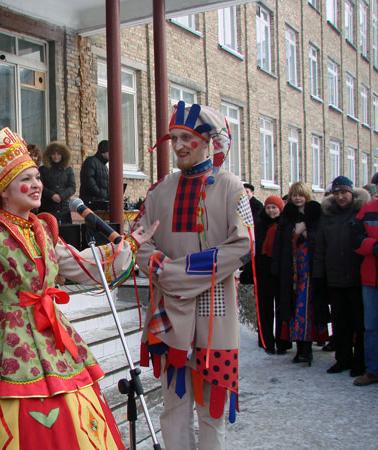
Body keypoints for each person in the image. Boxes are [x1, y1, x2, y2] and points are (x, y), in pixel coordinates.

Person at [0, 127, 159, 449]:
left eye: (36, 177)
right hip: (4, 344)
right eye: (26, 178)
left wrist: (129, 246)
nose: (37, 184)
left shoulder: (42, 230)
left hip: (51, 335)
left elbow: (83, 266)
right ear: (2, 190)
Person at [134, 101, 252, 450]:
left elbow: (243, 244)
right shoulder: (159, 190)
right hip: (168, 311)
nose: (180, 145)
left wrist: (175, 274)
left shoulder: (232, 187)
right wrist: (166, 271)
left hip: (215, 313)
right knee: (173, 406)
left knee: (211, 410)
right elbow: (139, 241)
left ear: (206, 141)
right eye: (175, 138)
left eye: (188, 137)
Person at [313, 176, 368, 377]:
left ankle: (360, 361)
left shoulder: (360, 213)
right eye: (336, 193)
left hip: (357, 278)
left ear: (351, 193)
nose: (340, 196)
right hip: (334, 278)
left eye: (343, 192)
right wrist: (318, 277)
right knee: (339, 322)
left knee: (359, 323)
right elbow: (320, 248)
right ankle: (342, 359)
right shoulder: (327, 216)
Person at [272, 182, 327, 366]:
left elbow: (320, 240)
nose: (297, 198)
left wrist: (304, 232)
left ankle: (307, 349)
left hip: (310, 271)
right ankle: (300, 348)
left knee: (307, 308)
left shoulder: (315, 215)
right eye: (294, 195)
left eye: (300, 195)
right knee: (294, 308)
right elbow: (280, 242)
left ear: (307, 196)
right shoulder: (287, 216)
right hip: (292, 271)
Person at [254, 195, 288, 355]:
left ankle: (283, 341)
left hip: (281, 270)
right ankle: (266, 341)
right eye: (268, 207)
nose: (271, 211)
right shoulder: (259, 225)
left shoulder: (285, 224)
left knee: (281, 306)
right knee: (265, 307)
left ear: (280, 208)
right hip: (263, 270)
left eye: (274, 207)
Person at [351, 191, 378, 386]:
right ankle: (373, 370)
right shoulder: (367, 209)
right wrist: (373, 246)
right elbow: (355, 240)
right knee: (371, 328)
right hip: (371, 278)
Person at [39, 141, 76, 224]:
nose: (56, 156)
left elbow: (72, 187)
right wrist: (52, 195)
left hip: (63, 209)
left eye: (58, 153)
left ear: (63, 155)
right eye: (53, 153)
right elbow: (40, 186)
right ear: (49, 155)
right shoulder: (43, 170)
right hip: (47, 208)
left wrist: (61, 196)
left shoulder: (68, 170)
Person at [79, 140, 109, 209]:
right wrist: (100, 193)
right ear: (104, 152)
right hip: (91, 202)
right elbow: (88, 181)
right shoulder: (91, 162)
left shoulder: (104, 166)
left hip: (99, 201)